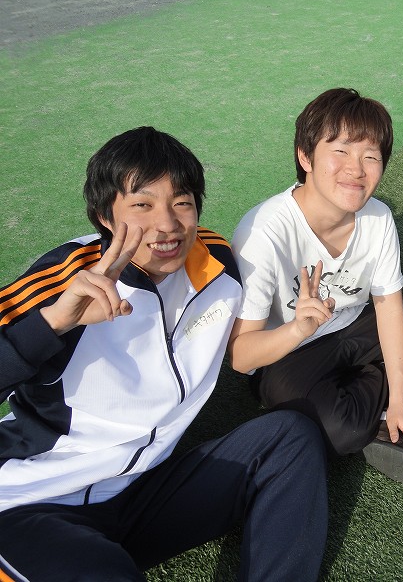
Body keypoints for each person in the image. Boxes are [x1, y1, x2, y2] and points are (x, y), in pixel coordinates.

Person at [0, 127, 328, 581]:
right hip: (34, 501)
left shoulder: (217, 264)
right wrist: (53, 323)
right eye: (142, 205)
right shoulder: (65, 279)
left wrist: (296, 329)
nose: (168, 224)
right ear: (104, 216)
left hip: (143, 490)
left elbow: (239, 351)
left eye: (181, 202)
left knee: (290, 437)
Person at [229, 88, 403, 484]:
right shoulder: (263, 233)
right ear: (305, 156)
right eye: (341, 151)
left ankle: (392, 412)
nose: (356, 169)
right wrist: (297, 329)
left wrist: (401, 398)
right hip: (288, 355)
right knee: (336, 429)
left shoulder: (377, 217)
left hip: (354, 326)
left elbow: (388, 307)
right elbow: (241, 358)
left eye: (370, 156)